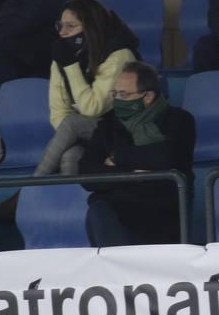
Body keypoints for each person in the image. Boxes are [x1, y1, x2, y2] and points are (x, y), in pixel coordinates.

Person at [79, 61, 196, 246]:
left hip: (163, 210)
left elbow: (166, 157)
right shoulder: (108, 126)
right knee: (99, 211)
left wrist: (116, 158)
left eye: (123, 94)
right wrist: (134, 175)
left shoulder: (179, 120)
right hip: (115, 209)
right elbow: (87, 175)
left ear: (148, 96)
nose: (117, 99)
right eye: (114, 94)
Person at [34, 0, 142, 176]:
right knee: (70, 155)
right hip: (89, 132)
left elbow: (93, 109)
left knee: (72, 124)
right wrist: (74, 138)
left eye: (71, 26)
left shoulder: (119, 55)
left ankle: (30, 186)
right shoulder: (65, 54)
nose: (62, 32)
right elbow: (58, 111)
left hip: (123, 129)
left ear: (91, 28)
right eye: (60, 25)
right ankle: (69, 204)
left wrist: (70, 66)